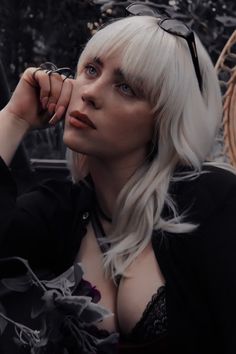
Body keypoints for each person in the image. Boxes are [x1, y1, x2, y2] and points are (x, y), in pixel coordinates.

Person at [0, 3, 236, 354]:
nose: (91, 92)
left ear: (164, 121)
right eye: (91, 69)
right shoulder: (60, 208)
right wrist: (13, 118)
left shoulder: (212, 201)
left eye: (126, 87)